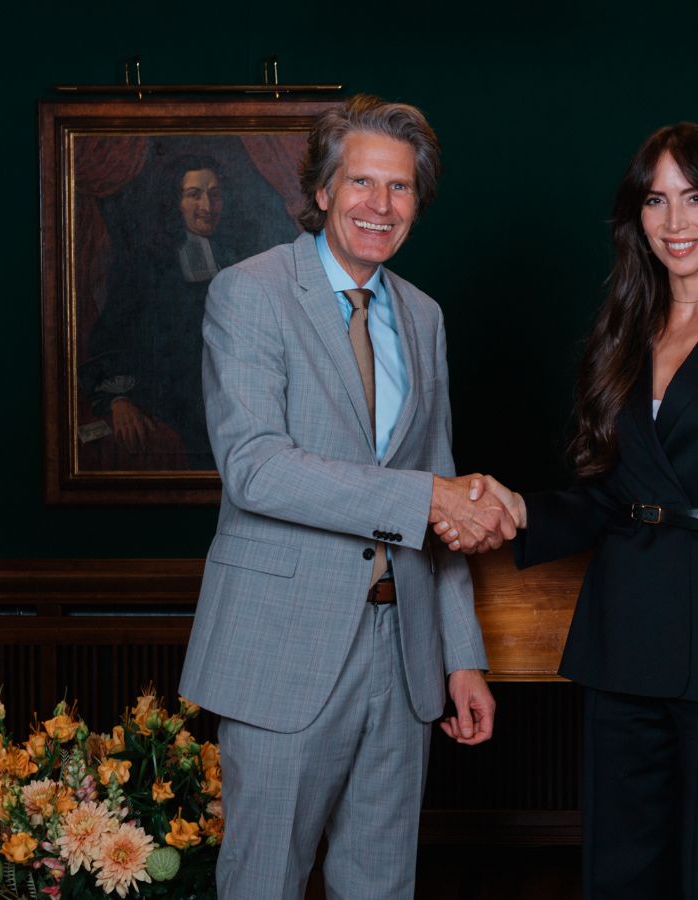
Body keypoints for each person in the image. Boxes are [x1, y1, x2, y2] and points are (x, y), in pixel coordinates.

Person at [443, 123, 698, 898]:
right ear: (637, 216)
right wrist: (519, 508)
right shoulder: (621, 330)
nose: (675, 221)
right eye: (656, 200)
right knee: (619, 874)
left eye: (696, 198)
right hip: (624, 637)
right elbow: (608, 496)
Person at [179, 96, 515, 900]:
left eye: (400, 188)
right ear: (323, 191)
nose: (380, 205)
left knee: (381, 885)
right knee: (264, 884)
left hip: (404, 658)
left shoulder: (424, 318)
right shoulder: (249, 292)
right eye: (361, 182)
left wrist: (462, 657)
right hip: (283, 654)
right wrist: (425, 496)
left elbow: (438, 493)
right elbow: (256, 468)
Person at [83, 154, 236, 467]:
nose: (207, 206)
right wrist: (118, 399)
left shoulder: (234, 258)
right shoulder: (145, 264)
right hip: (167, 400)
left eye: (214, 194)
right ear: (174, 202)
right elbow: (111, 336)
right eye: (194, 195)